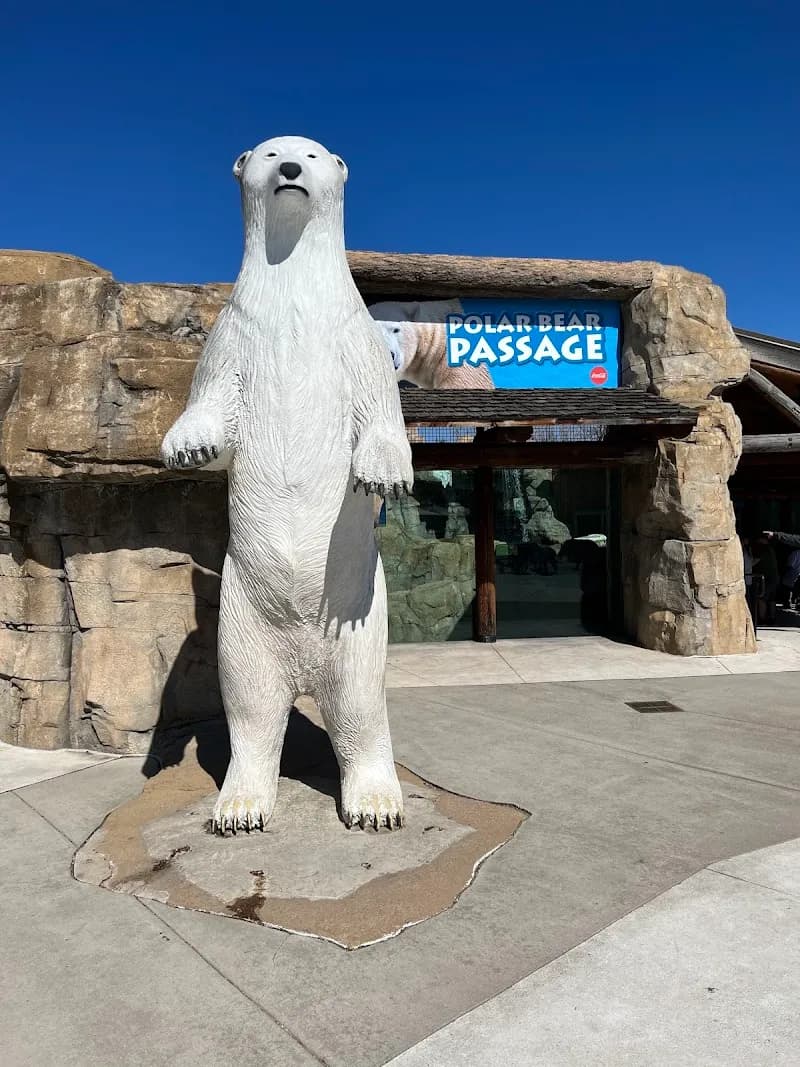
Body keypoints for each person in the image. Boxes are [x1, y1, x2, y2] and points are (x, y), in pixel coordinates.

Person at [764, 532, 800, 609]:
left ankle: (788, 602)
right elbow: (793, 539)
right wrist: (776, 535)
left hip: (792, 576)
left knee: (788, 589)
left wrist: (775, 535)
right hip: (794, 576)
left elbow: (790, 565)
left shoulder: (795, 553)